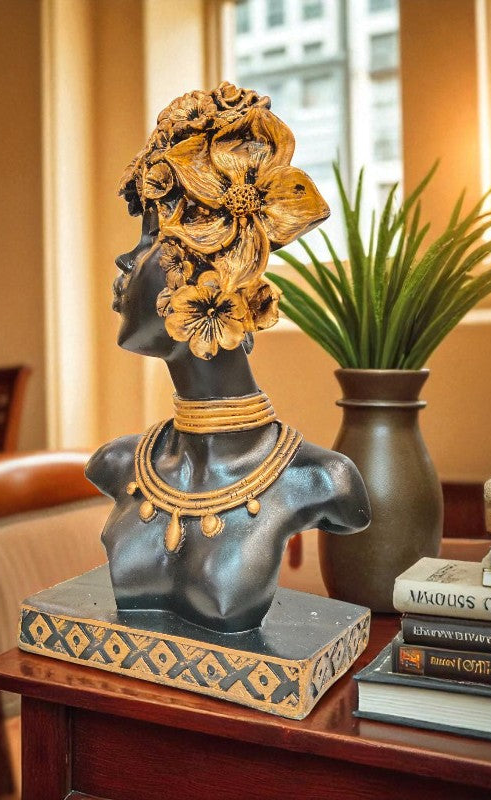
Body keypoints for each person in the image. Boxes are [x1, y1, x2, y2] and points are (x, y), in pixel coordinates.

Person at [86, 83, 370, 633]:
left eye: (150, 233)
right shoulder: (119, 464)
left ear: (207, 269)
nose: (126, 258)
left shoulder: (323, 480)